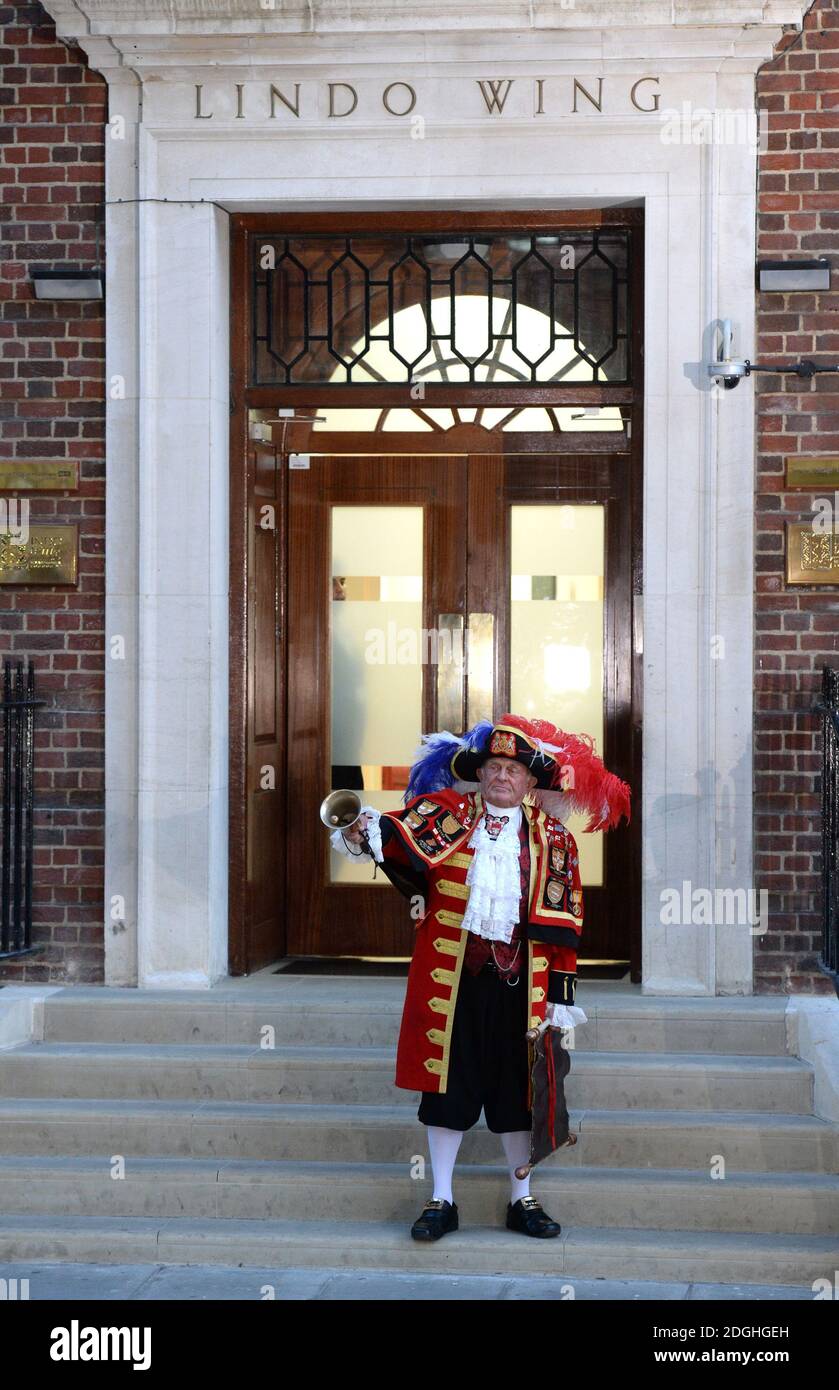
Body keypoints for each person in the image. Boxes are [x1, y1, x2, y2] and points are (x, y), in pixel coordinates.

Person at [333, 713, 630, 1242]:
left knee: (520, 1092)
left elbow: (566, 928)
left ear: (530, 782)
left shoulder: (555, 841)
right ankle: (441, 1198)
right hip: (453, 983)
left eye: (513, 771)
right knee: (446, 1088)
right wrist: (361, 828)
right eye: (493, 767)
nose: (501, 777)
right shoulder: (445, 813)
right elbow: (394, 836)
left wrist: (560, 1000)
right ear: (480, 773)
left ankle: (523, 1199)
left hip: (523, 988)